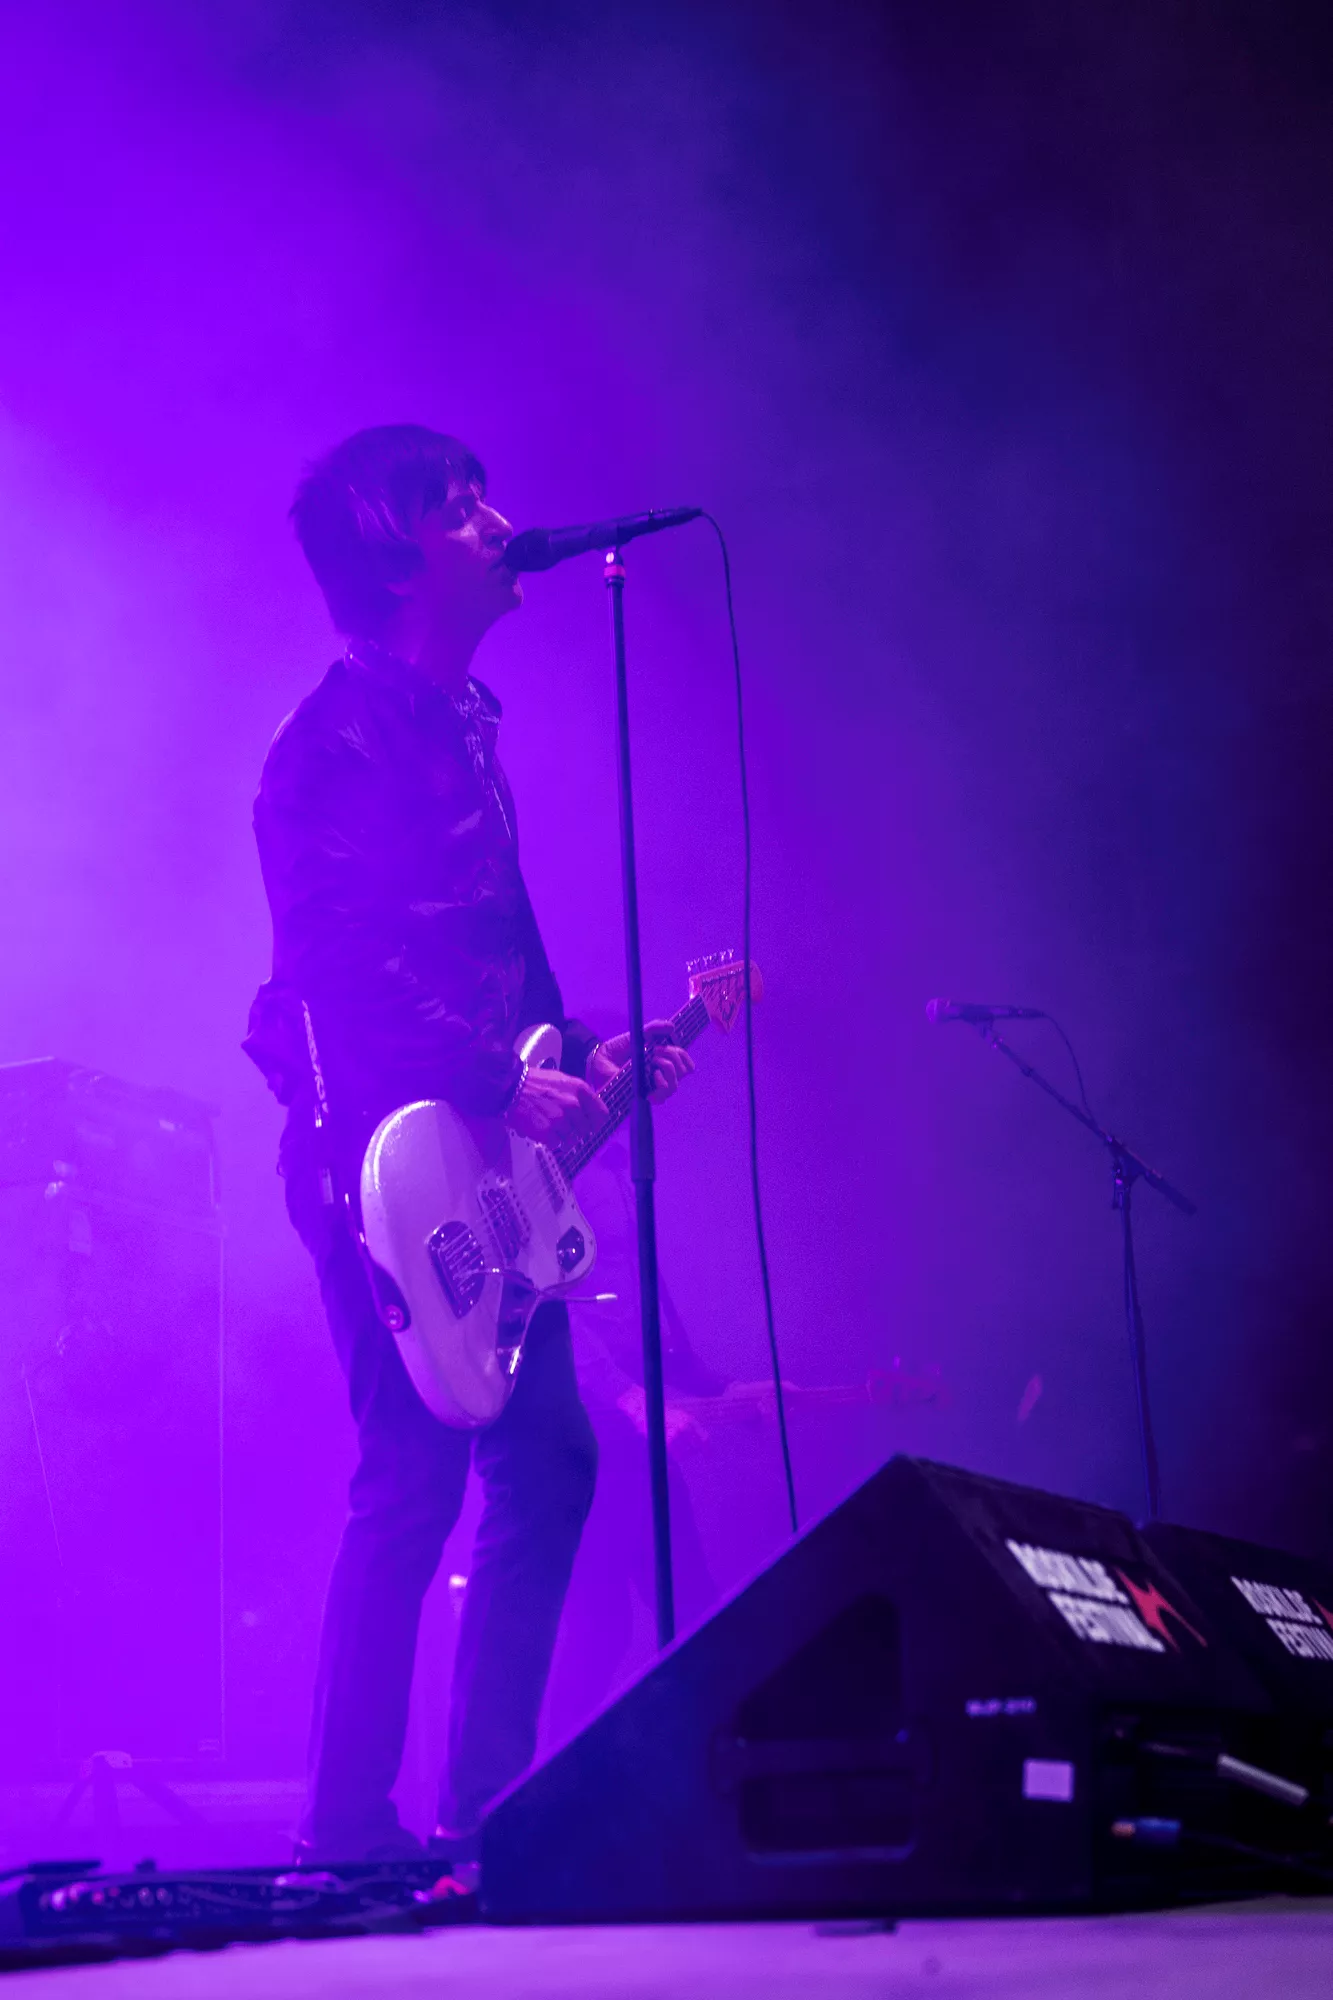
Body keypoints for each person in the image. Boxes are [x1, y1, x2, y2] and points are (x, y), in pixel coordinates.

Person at [243, 424, 693, 1861]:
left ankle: (489, 1809)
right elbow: (333, 963)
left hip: (477, 1153)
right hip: (376, 1159)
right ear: (394, 559)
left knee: (549, 1460)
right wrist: (488, 1079)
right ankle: (345, 1827)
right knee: (413, 1472)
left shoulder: (468, 725)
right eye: (461, 507)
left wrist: (573, 1064)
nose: (501, 524)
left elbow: (496, 950)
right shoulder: (329, 744)